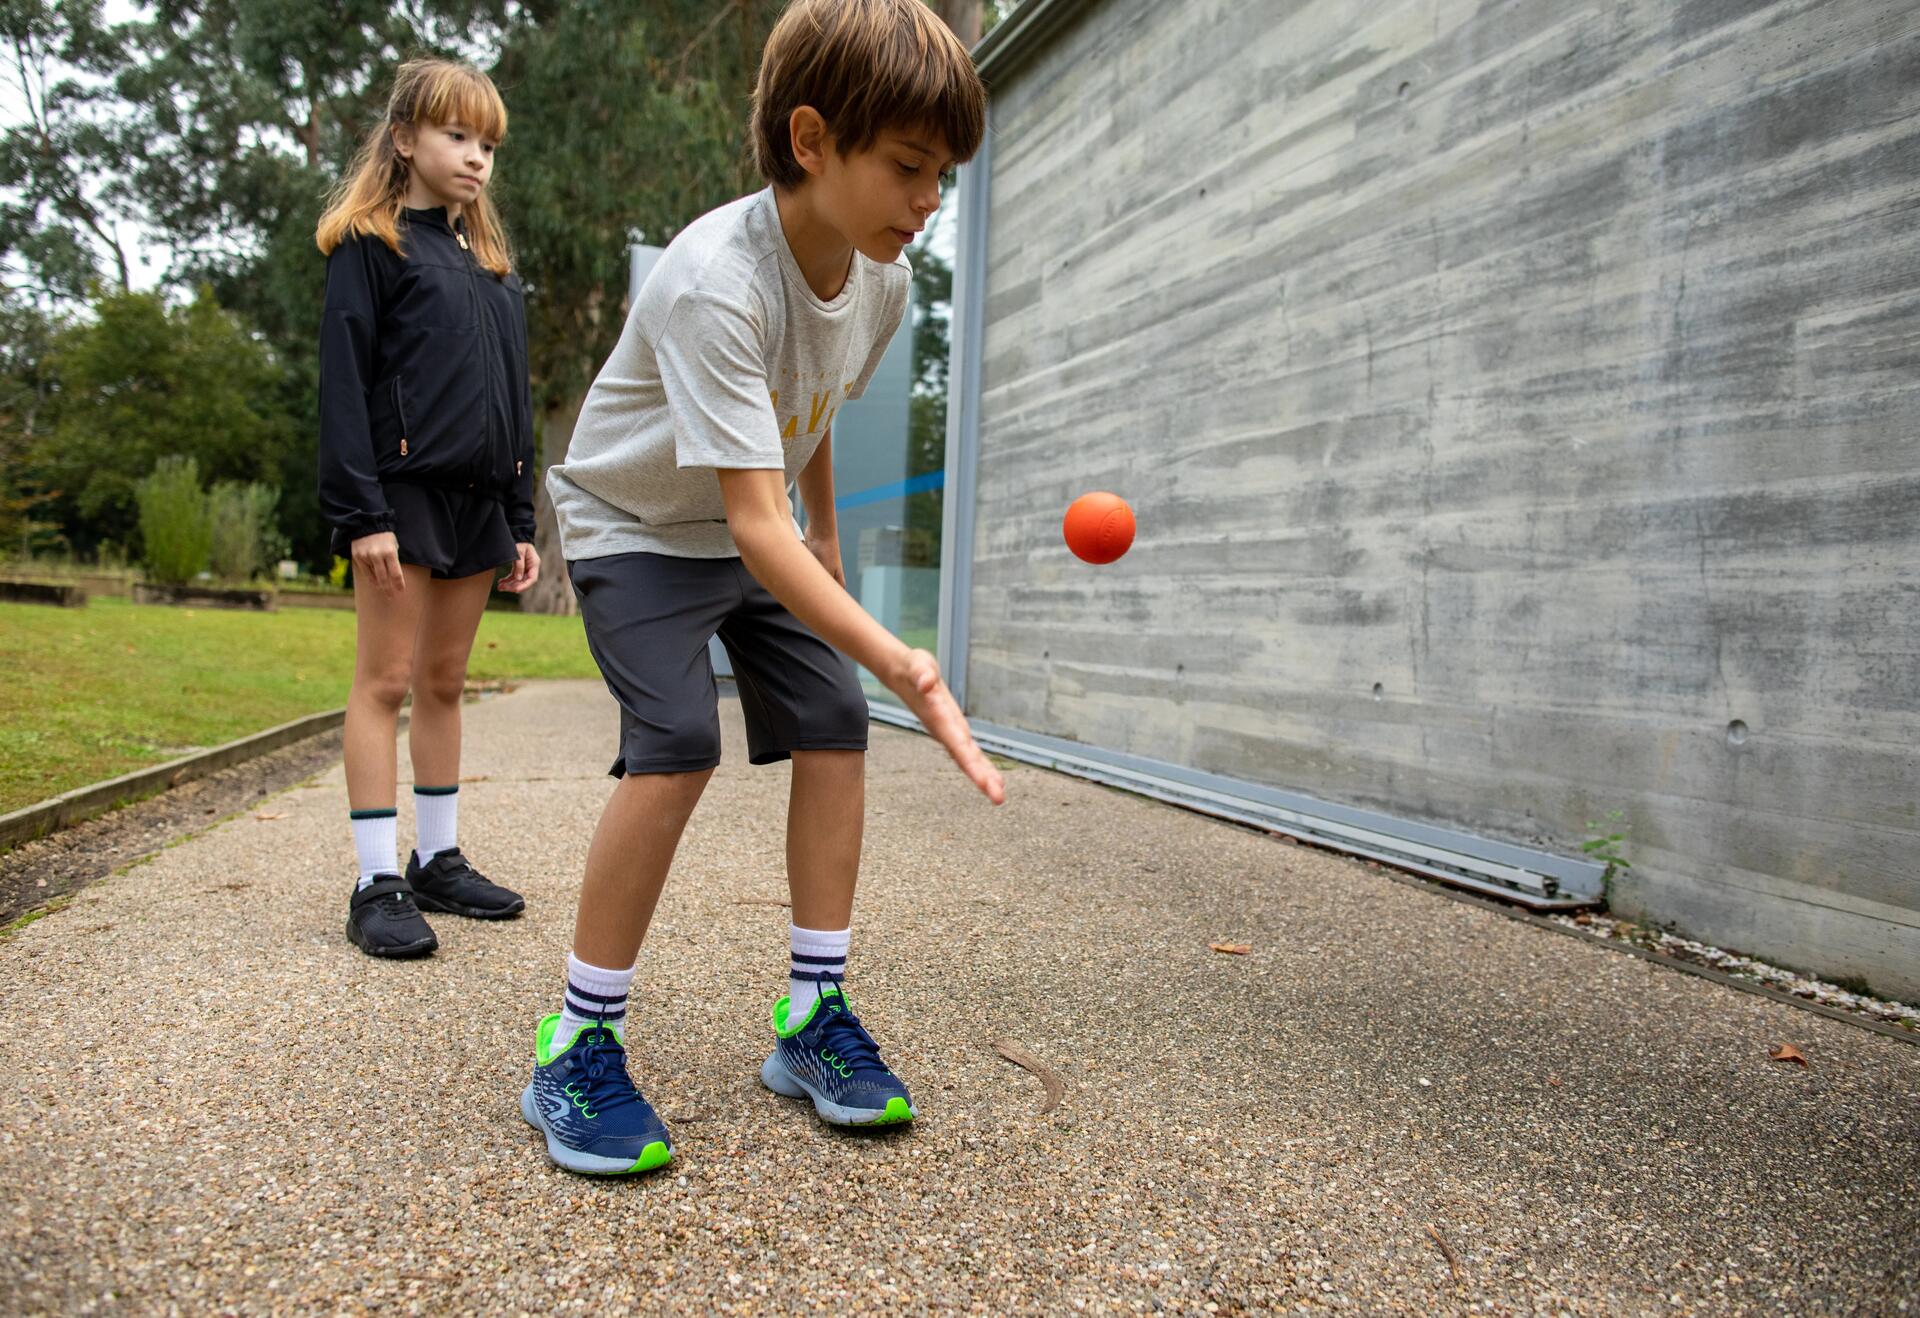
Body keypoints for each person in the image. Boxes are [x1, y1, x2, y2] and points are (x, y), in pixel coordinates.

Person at [518, 0, 1002, 1175]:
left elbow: (809, 407)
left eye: (942, 176)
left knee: (834, 719)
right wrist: (901, 655)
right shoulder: (715, 283)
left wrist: (825, 531)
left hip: (755, 529)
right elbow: (748, 518)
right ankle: (575, 1043)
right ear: (811, 140)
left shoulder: (880, 279)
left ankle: (813, 1016)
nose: (928, 202)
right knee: (678, 739)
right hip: (637, 527)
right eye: (908, 167)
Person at [315, 58, 540, 959]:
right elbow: (343, 387)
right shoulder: (370, 249)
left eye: (489, 143)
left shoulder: (495, 271)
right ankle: (377, 881)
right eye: (457, 135)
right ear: (405, 139)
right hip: (399, 499)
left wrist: (519, 520)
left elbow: (516, 399)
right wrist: (362, 513)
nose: (477, 156)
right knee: (384, 683)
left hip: (478, 505)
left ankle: (437, 860)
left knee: (444, 683)